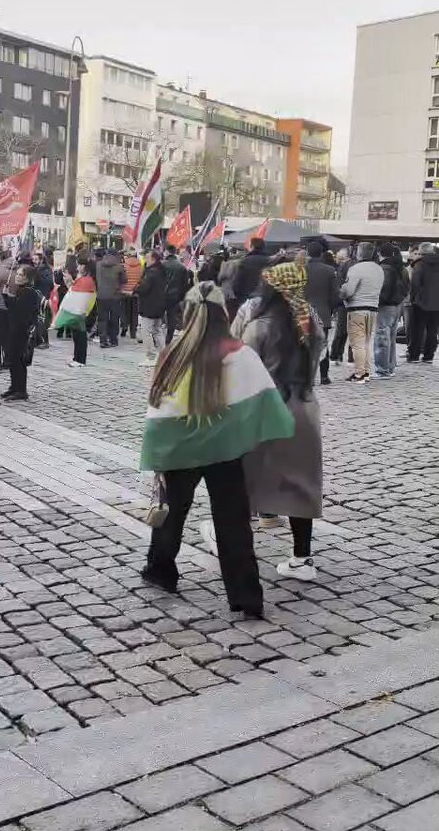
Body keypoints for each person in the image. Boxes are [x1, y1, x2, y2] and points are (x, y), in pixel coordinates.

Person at [139, 282, 294, 605]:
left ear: (187, 313)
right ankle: (246, 595)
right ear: (224, 313)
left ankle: (160, 571)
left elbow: (158, 408)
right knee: (233, 521)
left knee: (172, 514)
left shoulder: (173, 354)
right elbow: (265, 400)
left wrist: (158, 453)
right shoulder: (241, 355)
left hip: (180, 451)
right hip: (226, 451)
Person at [238, 262, 324, 581]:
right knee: (300, 483)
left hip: (264, 410)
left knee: (245, 479)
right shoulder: (311, 322)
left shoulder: (258, 327)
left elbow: (241, 372)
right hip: (303, 408)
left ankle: (231, 543)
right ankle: (302, 558)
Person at [340, 242, 384, 383]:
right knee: (366, 342)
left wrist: (341, 290)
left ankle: (360, 374)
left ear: (358, 253)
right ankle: (366, 371)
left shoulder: (355, 269)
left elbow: (348, 291)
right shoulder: (378, 269)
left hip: (357, 308)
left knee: (357, 343)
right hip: (373, 308)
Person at [2, 264, 41, 400]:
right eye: (17, 274)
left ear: (27, 278)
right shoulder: (21, 290)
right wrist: (7, 297)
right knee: (13, 360)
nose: (17, 277)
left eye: (21, 275)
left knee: (19, 361)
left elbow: (20, 312)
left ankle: (21, 390)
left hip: (21, 332)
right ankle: (14, 387)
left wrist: (8, 298)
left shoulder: (29, 292)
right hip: (15, 330)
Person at [305, 240, 339, 385]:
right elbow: (335, 295)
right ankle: (324, 376)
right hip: (323, 312)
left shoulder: (300, 269)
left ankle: (307, 376)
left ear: (307, 253)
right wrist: (331, 309)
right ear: (322, 253)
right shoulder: (329, 270)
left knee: (305, 346)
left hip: (304, 312)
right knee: (323, 345)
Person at [374, 243, 409, 377]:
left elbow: (382, 289)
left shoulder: (383, 269)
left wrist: (380, 301)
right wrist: (399, 299)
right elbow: (407, 288)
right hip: (397, 305)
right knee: (391, 336)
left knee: (382, 337)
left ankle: (382, 369)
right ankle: (390, 365)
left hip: (384, 306)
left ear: (380, 253)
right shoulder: (401, 268)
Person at [54, 262, 97, 367]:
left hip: (79, 311)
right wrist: (69, 281)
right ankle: (76, 358)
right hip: (78, 311)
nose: (78, 267)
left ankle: (80, 360)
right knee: (76, 334)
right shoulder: (83, 279)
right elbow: (74, 289)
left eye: (80, 265)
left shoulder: (87, 280)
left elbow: (78, 294)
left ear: (86, 268)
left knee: (80, 335)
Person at [407, 241, 439, 363]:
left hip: (421, 302)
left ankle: (414, 355)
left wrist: (413, 298)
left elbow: (415, 283)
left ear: (421, 251)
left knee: (417, 330)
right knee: (433, 331)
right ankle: (428, 355)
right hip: (437, 304)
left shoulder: (419, 264)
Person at [135, 250, 168, 366]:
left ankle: (151, 357)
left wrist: (136, 289)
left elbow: (144, 288)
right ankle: (164, 355)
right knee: (157, 330)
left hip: (149, 305)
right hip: (159, 305)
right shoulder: (162, 271)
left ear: (153, 259)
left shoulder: (151, 273)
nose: (146, 260)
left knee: (146, 332)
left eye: (147, 258)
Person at [95, 248, 126, 348]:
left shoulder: (98, 265)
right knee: (114, 318)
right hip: (115, 296)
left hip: (101, 295)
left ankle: (103, 340)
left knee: (102, 319)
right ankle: (113, 340)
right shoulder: (119, 266)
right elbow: (124, 280)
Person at [163, 243, 191, 345]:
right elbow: (185, 284)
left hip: (161, 295)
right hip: (175, 296)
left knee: (158, 318)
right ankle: (168, 339)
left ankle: (157, 338)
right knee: (172, 318)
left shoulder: (162, 265)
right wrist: (182, 297)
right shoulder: (182, 267)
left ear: (167, 252)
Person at [329, 248, 352, 364]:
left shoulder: (344, 267)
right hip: (343, 302)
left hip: (344, 302)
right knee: (342, 330)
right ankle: (337, 355)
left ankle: (336, 355)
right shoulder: (339, 267)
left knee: (342, 330)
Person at [233, 237, 267, 306]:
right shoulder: (270, 260)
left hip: (246, 296)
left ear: (252, 246)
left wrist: (236, 293)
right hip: (265, 297)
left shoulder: (245, 261)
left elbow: (238, 280)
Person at [120, 247, 143, 340]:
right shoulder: (140, 265)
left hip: (124, 291)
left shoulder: (124, 265)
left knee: (124, 311)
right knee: (134, 313)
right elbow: (141, 279)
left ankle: (124, 326)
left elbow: (121, 278)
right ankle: (133, 332)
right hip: (135, 292)